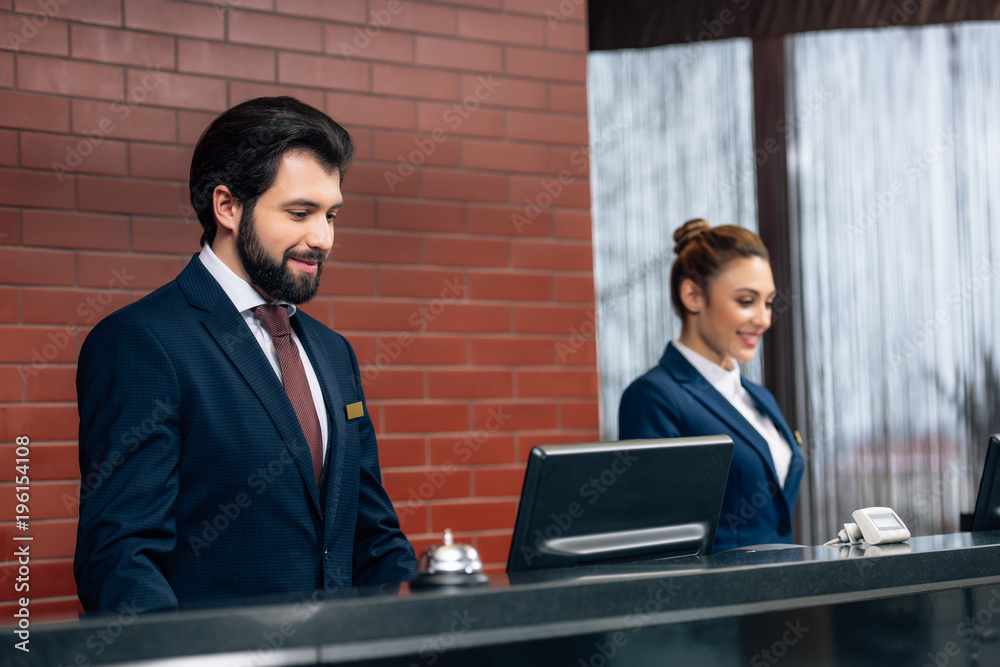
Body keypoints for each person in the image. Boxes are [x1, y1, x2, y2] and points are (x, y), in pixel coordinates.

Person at [74, 97, 417, 613]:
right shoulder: (142, 343)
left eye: (331, 215)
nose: (322, 238)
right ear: (228, 206)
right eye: (300, 213)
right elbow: (121, 559)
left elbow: (373, 533)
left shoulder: (332, 352)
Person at [618, 219, 804, 552]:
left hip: (784, 592)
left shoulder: (759, 398)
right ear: (693, 296)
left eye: (768, 302)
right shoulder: (655, 397)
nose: (763, 319)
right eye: (746, 301)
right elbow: (659, 539)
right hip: (724, 599)